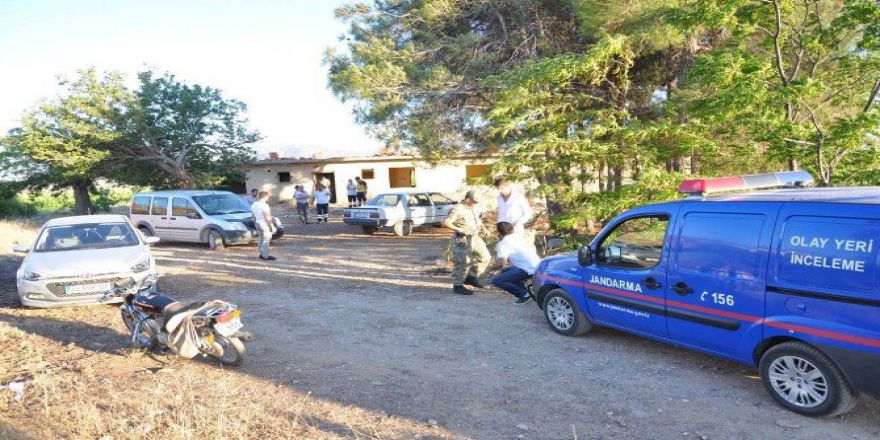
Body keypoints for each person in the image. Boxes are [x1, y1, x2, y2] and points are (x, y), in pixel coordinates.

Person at [442, 190, 491, 295]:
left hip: (475, 237)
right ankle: (458, 285)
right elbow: (446, 222)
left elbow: (477, 219)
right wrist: (459, 229)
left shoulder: (473, 207)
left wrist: (484, 229)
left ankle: (472, 277)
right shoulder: (457, 209)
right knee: (462, 262)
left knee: (485, 257)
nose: (476, 203)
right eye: (474, 201)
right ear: (468, 199)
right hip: (463, 239)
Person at [488, 222, 541, 304]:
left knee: (496, 280)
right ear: (512, 229)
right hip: (538, 266)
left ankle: (524, 294)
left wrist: (487, 269)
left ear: (498, 232)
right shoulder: (519, 238)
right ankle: (527, 293)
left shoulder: (503, 243)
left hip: (528, 269)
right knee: (504, 271)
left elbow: (501, 263)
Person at [250, 191, 276, 261]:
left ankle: (261, 254)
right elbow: (267, 217)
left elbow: (253, 216)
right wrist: (272, 226)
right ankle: (265, 256)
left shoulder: (254, 204)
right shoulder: (264, 205)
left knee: (261, 239)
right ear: (265, 197)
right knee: (266, 240)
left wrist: (256, 223)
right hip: (264, 224)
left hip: (258, 223)